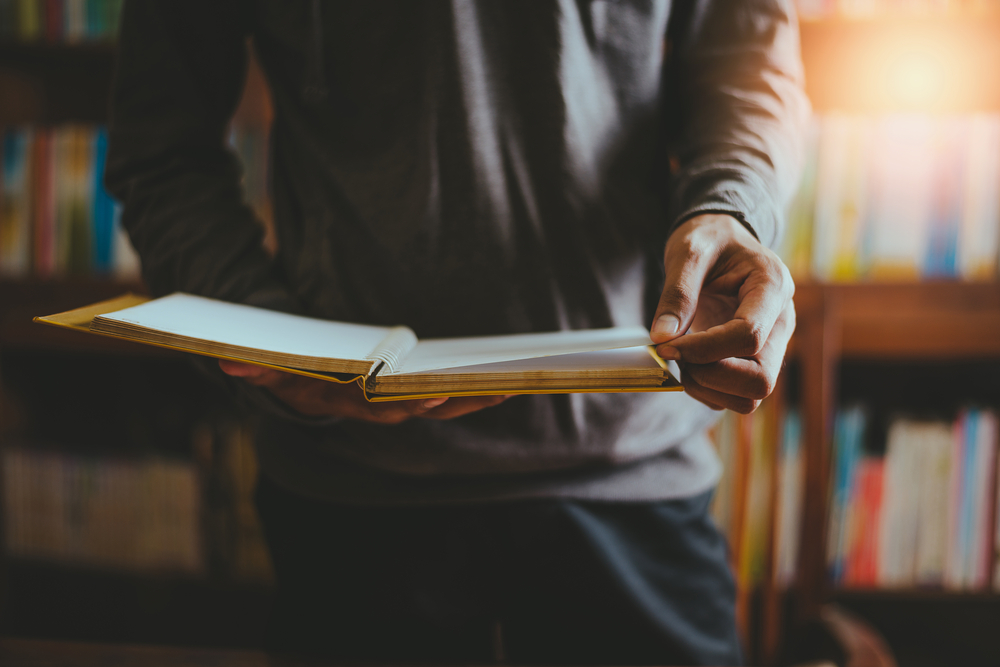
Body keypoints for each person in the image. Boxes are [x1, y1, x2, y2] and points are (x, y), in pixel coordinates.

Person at [106, 1, 808, 664]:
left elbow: (748, 64)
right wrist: (257, 325)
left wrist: (732, 208)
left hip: (635, 474)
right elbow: (161, 153)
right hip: (349, 493)